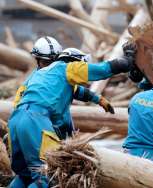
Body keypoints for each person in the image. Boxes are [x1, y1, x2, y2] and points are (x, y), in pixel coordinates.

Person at [7, 38, 136, 187]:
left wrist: (98, 99)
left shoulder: (36, 78)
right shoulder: (67, 68)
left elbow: (77, 91)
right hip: (34, 121)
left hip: (15, 122)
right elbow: (103, 69)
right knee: (47, 175)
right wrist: (128, 60)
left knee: (25, 175)